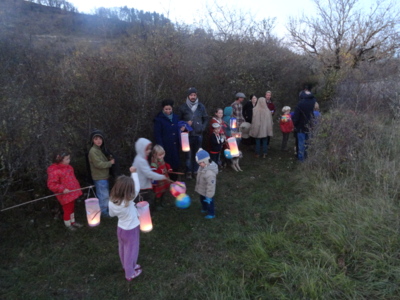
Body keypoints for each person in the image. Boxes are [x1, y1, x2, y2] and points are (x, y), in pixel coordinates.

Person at [109, 169, 142, 281]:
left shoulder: (112, 201)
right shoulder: (128, 201)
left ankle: (127, 266)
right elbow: (137, 187)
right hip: (131, 230)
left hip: (121, 229)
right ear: (129, 191)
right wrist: (134, 172)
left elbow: (112, 214)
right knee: (131, 251)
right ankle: (130, 273)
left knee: (123, 248)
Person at [47, 150, 83, 231]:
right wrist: (62, 189)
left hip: (72, 192)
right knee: (67, 209)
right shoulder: (54, 170)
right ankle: (68, 224)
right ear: (60, 160)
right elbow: (51, 184)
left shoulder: (69, 167)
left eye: (69, 158)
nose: (69, 160)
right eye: (67, 159)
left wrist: (76, 188)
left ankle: (73, 222)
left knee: (72, 208)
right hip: (64, 194)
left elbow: (72, 179)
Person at [179, 87, 208, 180]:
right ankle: (188, 171)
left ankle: (195, 171)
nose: (193, 97)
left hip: (198, 134)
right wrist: (185, 124)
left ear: (196, 96)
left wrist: (202, 127)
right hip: (187, 136)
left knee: (197, 154)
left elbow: (206, 118)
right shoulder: (183, 107)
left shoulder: (201, 106)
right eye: (191, 95)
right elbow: (178, 121)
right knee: (188, 155)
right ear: (188, 96)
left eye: (194, 95)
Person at [132, 138, 167, 211]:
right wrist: (161, 177)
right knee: (143, 200)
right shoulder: (140, 160)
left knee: (143, 200)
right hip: (141, 186)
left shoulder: (141, 158)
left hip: (141, 185)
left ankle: (142, 213)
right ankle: (143, 214)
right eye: (147, 149)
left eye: (149, 149)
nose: (149, 151)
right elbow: (148, 173)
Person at [88, 130, 115, 217]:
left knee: (105, 194)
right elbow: (98, 164)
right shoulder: (93, 151)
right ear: (93, 140)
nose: (98, 141)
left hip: (103, 176)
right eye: (96, 139)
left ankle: (105, 209)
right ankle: (103, 212)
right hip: (99, 177)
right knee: (103, 196)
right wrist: (110, 163)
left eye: (100, 139)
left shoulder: (99, 150)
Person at [153, 99, 181, 181]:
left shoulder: (176, 117)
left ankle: (174, 180)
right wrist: (161, 147)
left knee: (175, 163)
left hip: (175, 145)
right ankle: (166, 180)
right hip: (165, 146)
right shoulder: (158, 119)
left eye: (169, 109)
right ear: (163, 109)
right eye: (166, 109)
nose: (168, 111)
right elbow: (157, 134)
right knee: (166, 163)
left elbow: (178, 129)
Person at [292, 85, 317, 161]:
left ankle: (301, 160)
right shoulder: (314, 102)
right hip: (310, 126)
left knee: (301, 144)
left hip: (301, 127)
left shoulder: (300, 104)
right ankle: (307, 159)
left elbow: (296, 117)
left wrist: (295, 124)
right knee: (308, 144)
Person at [195, 149, 218, 219]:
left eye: (200, 163)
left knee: (209, 203)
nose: (199, 164)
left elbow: (211, 186)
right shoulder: (202, 167)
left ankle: (211, 213)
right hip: (202, 189)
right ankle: (204, 208)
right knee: (202, 200)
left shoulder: (210, 174)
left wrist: (209, 196)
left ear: (205, 161)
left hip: (208, 192)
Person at [150, 145, 172, 209]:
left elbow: (165, 164)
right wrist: (160, 174)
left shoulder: (161, 159)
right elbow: (153, 173)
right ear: (154, 155)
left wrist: (169, 168)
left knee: (163, 191)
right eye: (160, 155)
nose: (162, 156)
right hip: (159, 180)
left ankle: (162, 202)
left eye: (163, 154)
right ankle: (157, 204)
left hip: (164, 178)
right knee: (159, 193)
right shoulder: (154, 163)